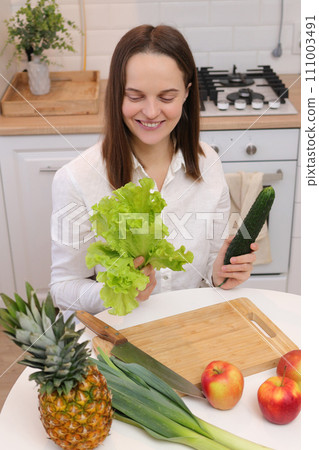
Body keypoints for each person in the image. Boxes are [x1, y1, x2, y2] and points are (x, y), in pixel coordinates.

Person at [50, 24, 257, 315]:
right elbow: (62, 288)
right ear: (117, 94)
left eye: (166, 97)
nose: (150, 112)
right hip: (118, 342)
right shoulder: (75, 178)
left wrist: (219, 274)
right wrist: (118, 289)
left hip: (186, 331)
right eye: (135, 97)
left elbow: (206, 275)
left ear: (186, 94)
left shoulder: (208, 162)